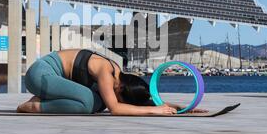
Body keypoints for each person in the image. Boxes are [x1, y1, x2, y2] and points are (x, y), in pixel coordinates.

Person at [17, 49, 207, 116]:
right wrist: (154, 110)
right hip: (40, 74)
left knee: (98, 104)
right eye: (123, 99)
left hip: (53, 81)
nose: (121, 102)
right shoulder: (107, 73)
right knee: (88, 102)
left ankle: (44, 98)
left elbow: (134, 102)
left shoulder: (119, 78)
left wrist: (182, 108)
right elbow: (116, 108)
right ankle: (32, 106)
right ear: (122, 88)